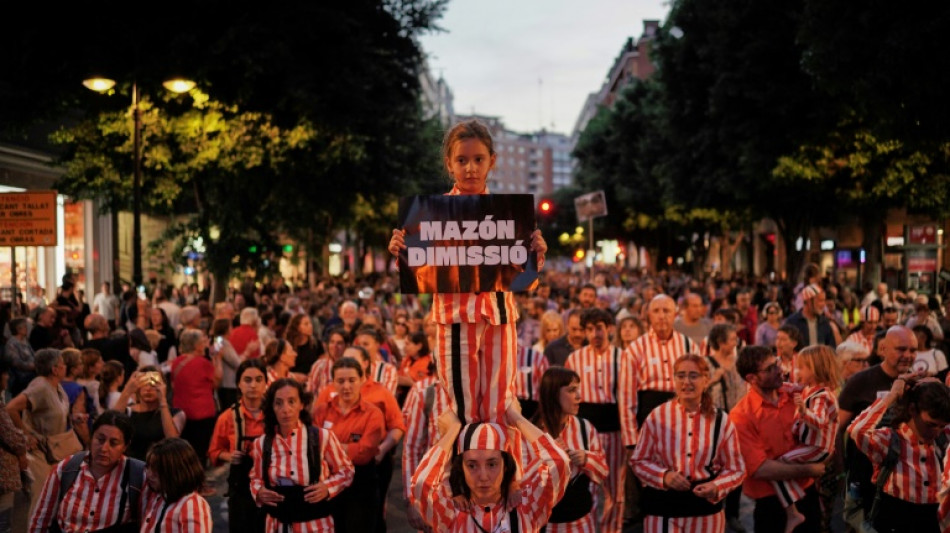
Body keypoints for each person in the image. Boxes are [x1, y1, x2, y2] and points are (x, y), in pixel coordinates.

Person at [388, 119, 547, 425]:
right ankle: (462, 472)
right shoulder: (429, 215)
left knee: (502, 407)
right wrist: (401, 251)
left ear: (492, 162)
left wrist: (536, 253)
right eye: (462, 160)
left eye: (478, 160)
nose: (471, 168)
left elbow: (519, 270)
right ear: (449, 164)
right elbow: (420, 268)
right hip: (455, 321)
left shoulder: (510, 213)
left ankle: (501, 472)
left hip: (500, 319)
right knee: (462, 411)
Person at [410, 401, 570, 532]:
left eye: (492, 464)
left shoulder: (525, 506)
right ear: (462, 469)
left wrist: (516, 419)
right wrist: (451, 432)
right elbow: (421, 483)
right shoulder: (453, 512)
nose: (483, 476)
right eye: (472, 466)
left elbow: (558, 461)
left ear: (505, 466)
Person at [631, 354, 746, 533]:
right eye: (681, 375)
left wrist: (716, 486)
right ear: (674, 379)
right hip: (662, 510)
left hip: (706, 512)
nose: (686, 382)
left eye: (693, 376)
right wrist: (664, 476)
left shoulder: (722, 420)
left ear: (706, 379)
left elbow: (736, 468)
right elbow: (638, 461)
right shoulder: (657, 416)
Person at [729, 345, 826, 532]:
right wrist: (809, 469)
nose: (779, 370)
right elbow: (760, 469)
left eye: (777, 363)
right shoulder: (741, 415)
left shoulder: (795, 397)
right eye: (770, 368)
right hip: (772, 504)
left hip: (807, 494)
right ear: (751, 378)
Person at [837, 326, 917, 529]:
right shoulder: (860, 382)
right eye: (901, 349)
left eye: (913, 350)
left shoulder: (919, 384)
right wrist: (841, 470)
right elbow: (837, 428)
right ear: (883, 349)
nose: (908, 355)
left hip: (902, 483)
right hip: (863, 480)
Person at [565, 307, 636, 533]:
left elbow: (628, 401)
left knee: (615, 490)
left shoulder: (623, 358)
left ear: (609, 329)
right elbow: (567, 398)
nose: (595, 334)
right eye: (590, 329)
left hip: (614, 431)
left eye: (599, 328)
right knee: (585, 487)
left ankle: (611, 530)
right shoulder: (575, 359)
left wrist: (630, 441)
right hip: (584, 434)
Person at [250, 378, 354, 533]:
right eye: (279, 403)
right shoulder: (262, 443)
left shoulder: (321, 437)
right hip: (277, 524)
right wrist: (259, 492)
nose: (286, 409)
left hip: (315, 525)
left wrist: (328, 487)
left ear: (301, 404)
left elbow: (346, 470)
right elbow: (256, 478)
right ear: (271, 407)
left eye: (292, 401)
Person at [850, 377, 950, 533]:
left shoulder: (943, 439)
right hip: (895, 520)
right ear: (912, 410)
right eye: (930, 424)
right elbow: (857, 431)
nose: (936, 432)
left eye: (942, 426)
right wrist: (893, 395)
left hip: (932, 520)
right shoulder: (889, 440)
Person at [28, 410, 145, 533]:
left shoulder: (137, 476)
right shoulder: (67, 468)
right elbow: (41, 520)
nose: (104, 448)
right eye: (100, 439)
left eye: (113, 443)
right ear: (91, 437)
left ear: (125, 446)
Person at [311, 358, 385, 532]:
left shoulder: (373, 414)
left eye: (352, 380)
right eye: (341, 381)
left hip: (361, 485)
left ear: (362, 380)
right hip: (329, 484)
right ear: (333, 383)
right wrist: (348, 447)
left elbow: (363, 454)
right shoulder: (322, 411)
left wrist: (330, 446)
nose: (346, 386)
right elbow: (313, 448)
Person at [773, 345, 840, 533]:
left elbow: (819, 421)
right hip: (812, 444)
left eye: (802, 368)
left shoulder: (823, 396)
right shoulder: (811, 388)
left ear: (816, 369)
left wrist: (803, 411)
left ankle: (793, 510)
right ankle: (795, 505)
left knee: (779, 466)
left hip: (818, 447)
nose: (797, 371)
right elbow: (791, 387)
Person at [533, 367, 608, 533]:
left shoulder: (585, 428)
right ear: (553, 393)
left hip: (580, 522)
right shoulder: (532, 431)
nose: (579, 397)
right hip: (542, 524)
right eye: (572, 390)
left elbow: (604, 471)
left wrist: (586, 459)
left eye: (578, 389)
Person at [208, 359, 267, 533]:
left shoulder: (275, 414)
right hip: (241, 489)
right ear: (239, 384)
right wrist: (228, 456)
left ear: (266, 383)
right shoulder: (227, 417)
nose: (253, 385)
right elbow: (213, 452)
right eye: (247, 380)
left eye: (258, 379)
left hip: (271, 486)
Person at [113, 366, 185, 461]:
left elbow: (172, 440)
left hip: (161, 466)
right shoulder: (128, 412)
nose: (148, 389)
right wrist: (127, 390)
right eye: (144, 384)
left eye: (153, 384)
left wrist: (162, 401)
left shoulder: (175, 413)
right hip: (133, 466)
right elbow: (111, 423)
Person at [170, 329, 221, 465]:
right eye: (202, 342)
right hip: (201, 414)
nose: (204, 345)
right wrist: (217, 358)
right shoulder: (202, 363)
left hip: (181, 412)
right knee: (199, 452)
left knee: (186, 451)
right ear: (197, 345)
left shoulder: (176, 362)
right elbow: (217, 381)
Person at [140, 438, 213, 532]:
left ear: (176, 471)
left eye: (157, 470)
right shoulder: (158, 495)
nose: (149, 474)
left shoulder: (191, 504)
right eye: (148, 467)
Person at [0, 362, 27, 533]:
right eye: (4, 373)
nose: (8, 377)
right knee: (3, 521)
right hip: (3, 470)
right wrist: (24, 445)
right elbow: (10, 435)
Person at [210, 318, 242, 409]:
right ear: (226, 329)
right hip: (228, 383)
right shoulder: (223, 342)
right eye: (230, 326)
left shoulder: (217, 340)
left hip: (222, 383)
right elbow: (236, 362)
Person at [306, 327, 347, 398]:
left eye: (339, 343)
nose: (335, 346)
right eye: (332, 342)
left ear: (347, 345)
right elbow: (311, 392)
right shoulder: (319, 365)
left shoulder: (352, 367)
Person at [5, 317, 36, 397]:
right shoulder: (12, 344)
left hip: (31, 372)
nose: (26, 328)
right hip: (21, 377)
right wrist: (32, 366)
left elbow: (33, 355)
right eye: (24, 326)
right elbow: (16, 362)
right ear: (18, 329)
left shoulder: (25, 341)